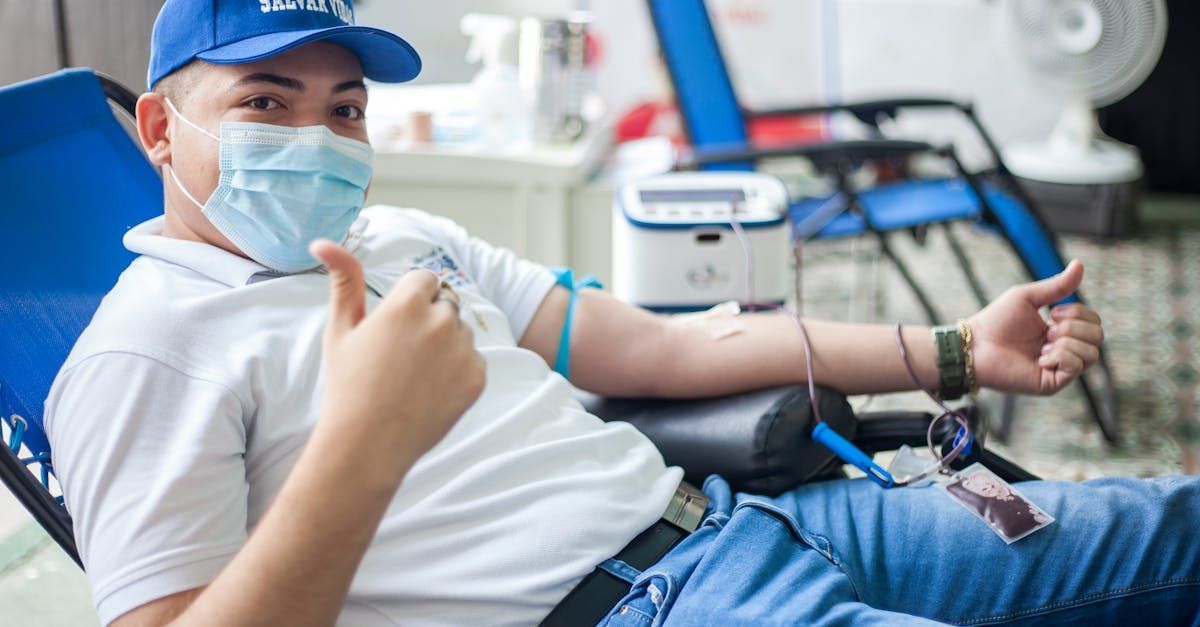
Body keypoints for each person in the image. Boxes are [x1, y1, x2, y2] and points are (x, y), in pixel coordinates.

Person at [44, 1, 1199, 626]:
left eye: (344, 108)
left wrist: (951, 351)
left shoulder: (400, 238)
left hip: (752, 521)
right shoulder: (148, 353)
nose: (319, 138)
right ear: (158, 130)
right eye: (263, 101)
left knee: (1173, 527)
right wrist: (365, 442)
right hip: (630, 609)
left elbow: (657, 344)